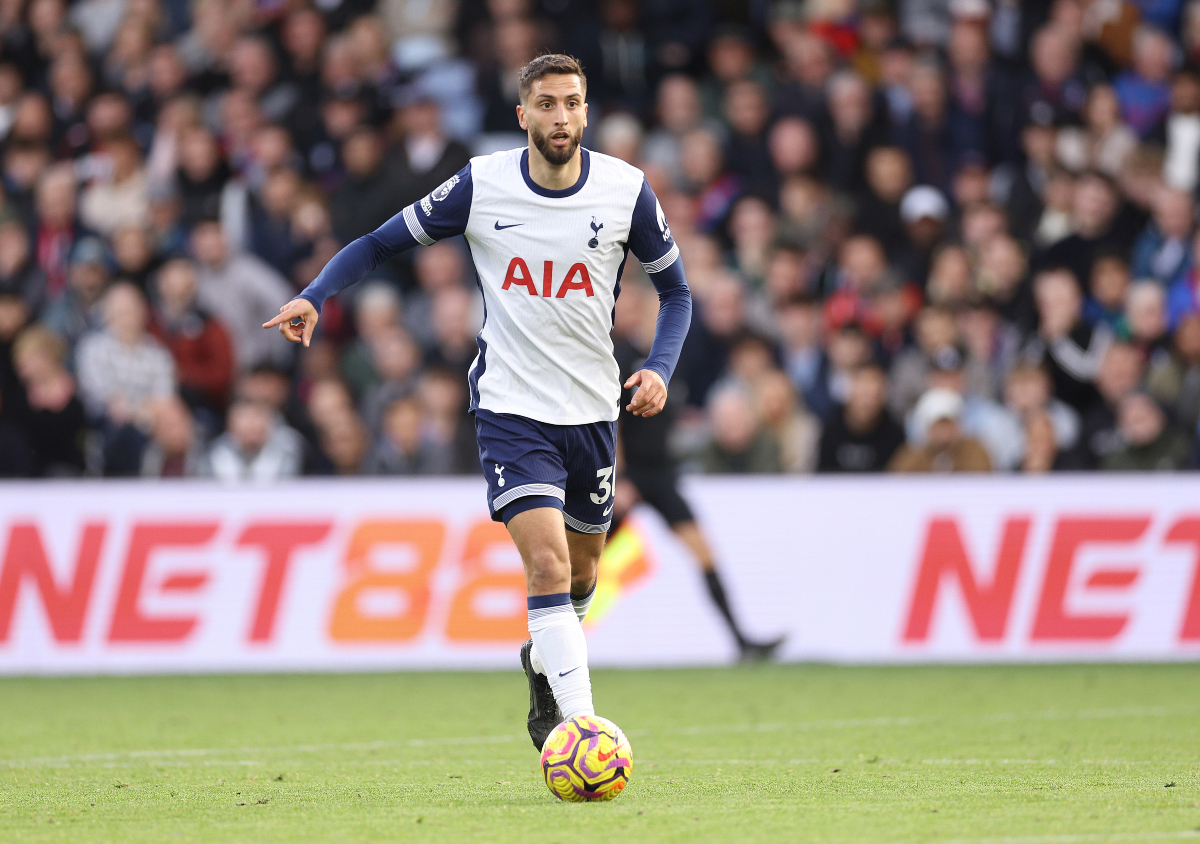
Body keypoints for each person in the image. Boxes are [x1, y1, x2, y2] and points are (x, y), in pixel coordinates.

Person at [264, 56, 691, 752]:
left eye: (572, 104)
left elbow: (677, 293)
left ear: (587, 113)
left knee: (584, 571)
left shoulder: (626, 191)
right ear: (523, 116)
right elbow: (379, 242)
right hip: (510, 407)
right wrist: (314, 294)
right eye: (546, 105)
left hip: (591, 410)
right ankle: (584, 732)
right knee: (548, 567)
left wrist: (660, 370)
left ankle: (543, 662)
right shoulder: (481, 185)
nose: (560, 117)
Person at [610, 281, 784, 661]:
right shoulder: (615, 357)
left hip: (660, 474)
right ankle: (546, 646)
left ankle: (742, 641)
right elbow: (611, 423)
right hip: (627, 476)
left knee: (704, 552)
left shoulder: (659, 356)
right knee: (583, 564)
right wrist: (619, 479)